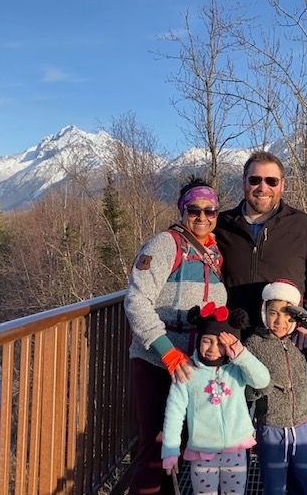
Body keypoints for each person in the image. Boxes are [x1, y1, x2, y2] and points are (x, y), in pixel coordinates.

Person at [124, 178, 227, 494]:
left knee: (181, 446)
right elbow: (137, 300)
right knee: (156, 446)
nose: (202, 217)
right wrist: (166, 351)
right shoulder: (165, 245)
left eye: (210, 210)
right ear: (182, 210)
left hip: (195, 365)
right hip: (158, 361)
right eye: (194, 209)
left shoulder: (215, 253)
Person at [213, 151, 307, 337]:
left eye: (272, 181)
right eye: (255, 180)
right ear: (244, 181)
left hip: (285, 341)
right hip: (231, 340)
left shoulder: (303, 226)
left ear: (282, 185)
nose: (263, 188)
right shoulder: (220, 225)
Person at [161, 302, 270, 494]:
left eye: (220, 343)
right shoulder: (188, 371)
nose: (213, 348)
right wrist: (170, 450)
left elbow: (262, 380)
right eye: (207, 341)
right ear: (198, 340)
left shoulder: (237, 369)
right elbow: (174, 413)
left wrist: (242, 355)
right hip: (202, 452)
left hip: (235, 449)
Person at [245, 279, 307, 494]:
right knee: (275, 485)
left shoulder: (300, 341)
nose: (280, 321)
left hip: (302, 427)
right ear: (264, 311)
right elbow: (246, 386)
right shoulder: (254, 344)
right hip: (271, 427)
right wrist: (260, 390)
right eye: (274, 313)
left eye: (288, 315)